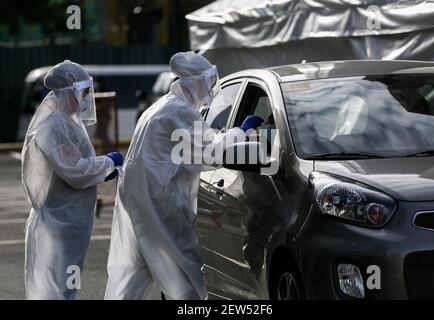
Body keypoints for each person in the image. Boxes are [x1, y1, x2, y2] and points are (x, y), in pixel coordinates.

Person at [105, 51, 263, 300]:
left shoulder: (161, 107)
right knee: (182, 270)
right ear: (195, 82)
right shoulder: (178, 111)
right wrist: (242, 132)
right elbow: (212, 150)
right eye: (208, 81)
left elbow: (190, 151)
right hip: (159, 202)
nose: (212, 88)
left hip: (143, 199)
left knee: (139, 269)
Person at [21, 60, 124, 300]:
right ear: (69, 92)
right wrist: (108, 162)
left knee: (64, 291)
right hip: (56, 226)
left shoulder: (67, 122)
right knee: (55, 293)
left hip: (68, 224)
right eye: (85, 91)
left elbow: (75, 167)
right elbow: (75, 172)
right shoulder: (55, 126)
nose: (89, 98)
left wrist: (105, 167)